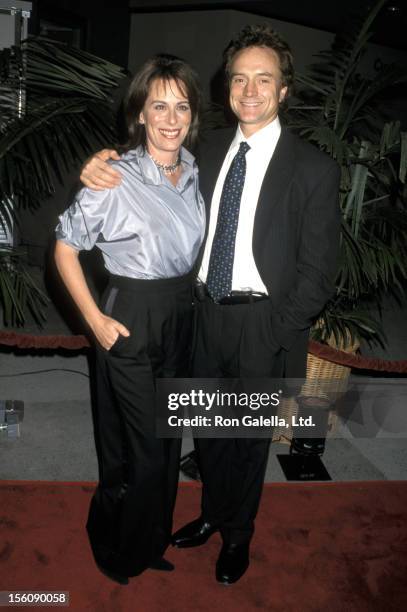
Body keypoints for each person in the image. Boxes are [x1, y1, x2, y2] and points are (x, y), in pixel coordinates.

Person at [79, 24, 341, 585]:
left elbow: (320, 272)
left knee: (245, 442)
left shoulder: (314, 168)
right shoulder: (210, 149)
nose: (250, 90)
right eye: (240, 78)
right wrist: (100, 163)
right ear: (227, 89)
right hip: (200, 316)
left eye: (263, 79)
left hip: (263, 322)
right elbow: (151, 159)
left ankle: (237, 535)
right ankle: (210, 515)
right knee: (207, 428)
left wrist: (275, 332)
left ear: (284, 89)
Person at [54, 54, 205, 585]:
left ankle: (151, 537)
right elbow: (65, 249)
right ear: (139, 112)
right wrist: (93, 318)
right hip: (130, 315)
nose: (170, 117)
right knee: (135, 445)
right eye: (157, 105)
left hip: (181, 315)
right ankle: (118, 546)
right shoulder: (113, 175)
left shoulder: (192, 171)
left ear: (192, 114)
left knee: (169, 437)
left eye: (180, 106)